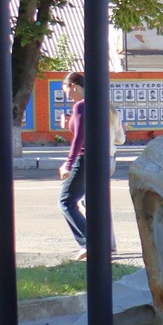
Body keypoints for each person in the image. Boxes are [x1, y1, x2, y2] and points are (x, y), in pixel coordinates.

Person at [59, 71, 91, 261]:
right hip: (99, 159)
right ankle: (102, 243)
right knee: (90, 202)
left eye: (66, 92)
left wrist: (68, 164)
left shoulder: (80, 106)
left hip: (83, 158)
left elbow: (79, 138)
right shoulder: (96, 104)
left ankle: (88, 242)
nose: (68, 96)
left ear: (73, 85)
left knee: (66, 201)